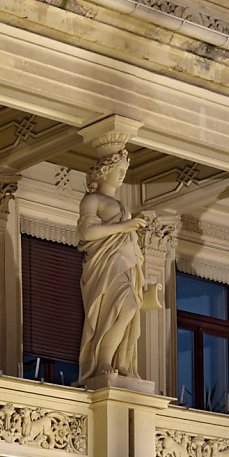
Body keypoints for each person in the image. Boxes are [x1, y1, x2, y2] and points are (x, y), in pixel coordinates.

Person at [77, 150, 148, 381]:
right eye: (119, 170)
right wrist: (124, 226)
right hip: (105, 266)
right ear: (105, 171)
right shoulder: (92, 199)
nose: (122, 175)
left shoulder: (120, 204)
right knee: (117, 309)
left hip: (125, 266)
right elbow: (86, 232)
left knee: (129, 310)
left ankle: (119, 360)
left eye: (124, 171)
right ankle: (102, 360)